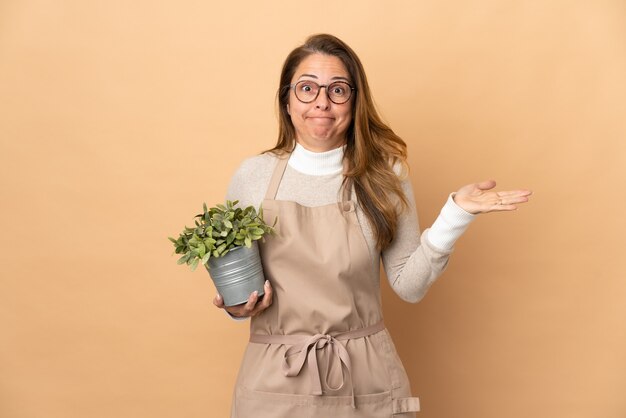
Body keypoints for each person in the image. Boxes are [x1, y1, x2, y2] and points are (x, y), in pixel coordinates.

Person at [213, 34, 531, 417]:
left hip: (367, 379)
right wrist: (237, 305)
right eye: (307, 88)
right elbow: (239, 282)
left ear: (356, 100)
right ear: (287, 100)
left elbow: (409, 286)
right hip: (274, 379)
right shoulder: (253, 177)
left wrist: (455, 215)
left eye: (338, 90)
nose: (322, 102)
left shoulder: (385, 175)